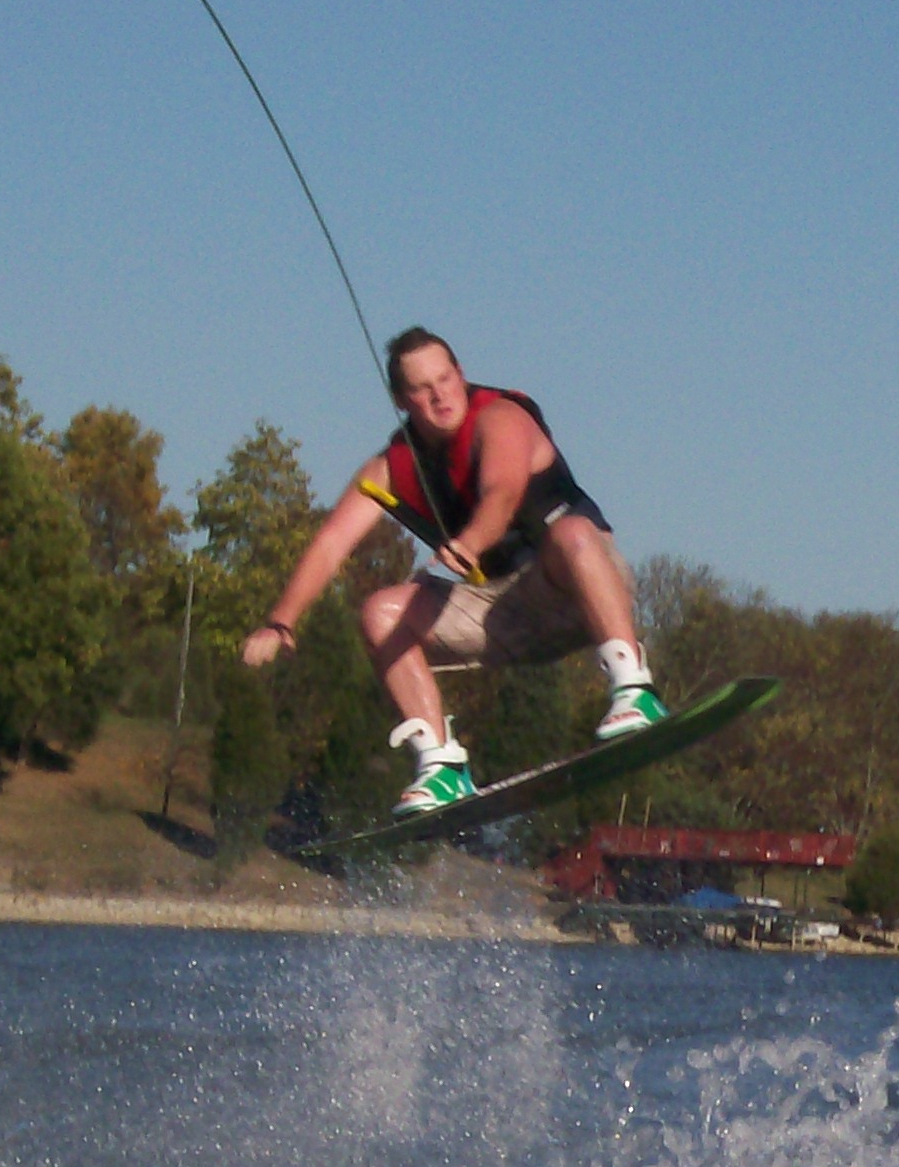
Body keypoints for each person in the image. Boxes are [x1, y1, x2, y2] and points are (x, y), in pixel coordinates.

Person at [239, 328, 667, 815]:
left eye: (445, 378)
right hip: (503, 615)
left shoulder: (502, 418)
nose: (440, 395)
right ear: (402, 400)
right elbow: (331, 542)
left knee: (570, 532)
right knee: (381, 613)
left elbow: (501, 493)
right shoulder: (391, 467)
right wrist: (282, 621)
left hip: (578, 589)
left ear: (460, 374)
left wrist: (472, 541)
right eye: (422, 388)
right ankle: (441, 765)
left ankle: (635, 686)